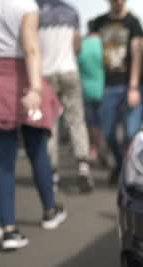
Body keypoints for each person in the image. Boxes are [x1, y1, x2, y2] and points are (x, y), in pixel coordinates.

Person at [0, 0, 68, 250]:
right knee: (37, 149)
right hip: (22, 78)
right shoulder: (25, 5)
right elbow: (31, 49)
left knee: (3, 159)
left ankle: (8, 229)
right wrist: (36, 89)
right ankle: (50, 210)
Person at [37, 0, 94, 193]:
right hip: (69, 69)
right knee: (76, 120)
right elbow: (77, 45)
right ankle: (83, 167)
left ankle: (52, 173)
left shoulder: (34, 10)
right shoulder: (71, 11)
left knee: (50, 123)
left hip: (45, 73)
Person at [91, 0, 143, 184]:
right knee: (107, 133)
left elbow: (137, 55)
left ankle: (130, 174)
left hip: (128, 85)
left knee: (131, 133)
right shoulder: (98, 23)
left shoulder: (133, 23)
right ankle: (121, 164)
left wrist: (134, 87)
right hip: (106, 86)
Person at [79, 20, 110, 169]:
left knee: (92, 123)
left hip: (86, 90)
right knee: (105, 122)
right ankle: (104, 149)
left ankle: (95, 148)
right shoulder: (104, 46)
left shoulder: (82, 45)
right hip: (104, 88)